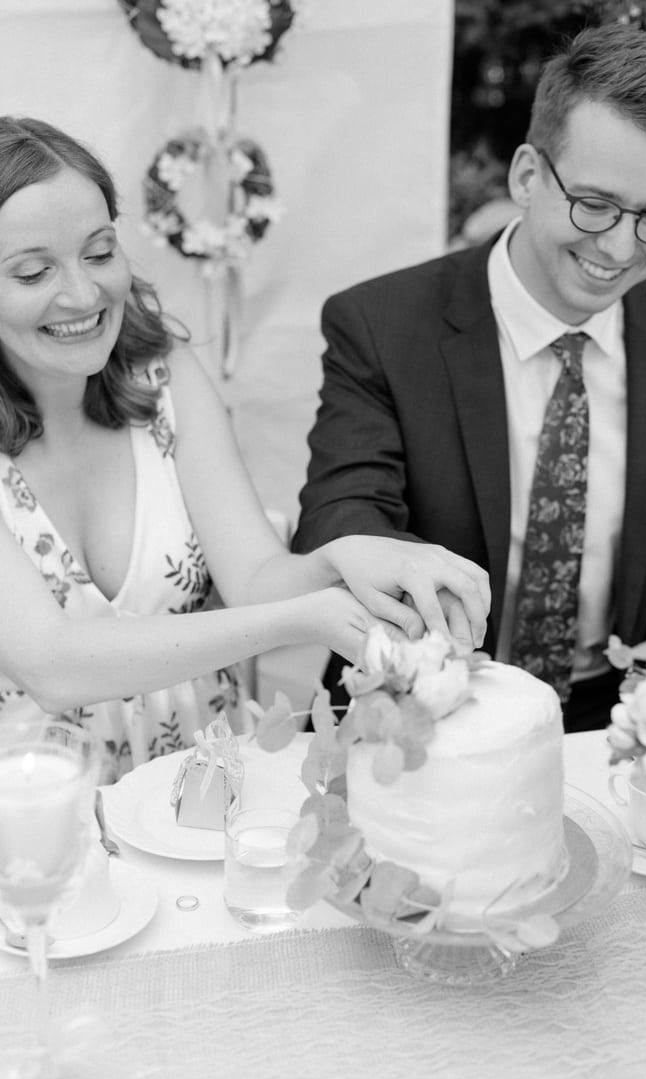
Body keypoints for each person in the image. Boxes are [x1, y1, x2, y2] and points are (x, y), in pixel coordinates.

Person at [0, 117, 490, 782]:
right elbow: (52, 664)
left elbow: (254, 577)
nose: (84, 294)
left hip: (199, 786)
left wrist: (338, 560)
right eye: (33, 272)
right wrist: (305, 618)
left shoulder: (160, 371)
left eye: (98, 252)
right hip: (33, 812)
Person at [293, 24, 646, 732]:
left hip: (620, 715)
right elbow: (342, 519)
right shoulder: (381, 324)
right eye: (594, 204)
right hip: (421, 706)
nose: (621, 248)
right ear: (528, 176)